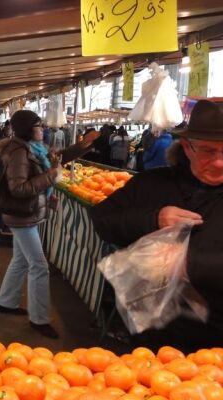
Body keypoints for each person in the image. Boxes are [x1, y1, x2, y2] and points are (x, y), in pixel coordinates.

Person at [90, 99, 223, 351]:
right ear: (187, 147)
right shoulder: (152, 184)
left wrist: (188, 264)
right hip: (149, 336)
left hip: (214, 345)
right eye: (208, 151)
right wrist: (153, 218)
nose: (219, 162)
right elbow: (102, 219)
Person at [0, 110, 99, 338]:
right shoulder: (19, 152)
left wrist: (81, 146)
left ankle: (6, 301)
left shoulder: (35, 149)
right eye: (38, 125)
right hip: (21, 215)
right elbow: (19, 188)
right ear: (27, 129)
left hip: (25, 214)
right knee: (39, 266)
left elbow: (55, 159)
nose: (43, 129)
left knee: (21, 259)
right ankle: (39, 319)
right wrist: (51, 176)